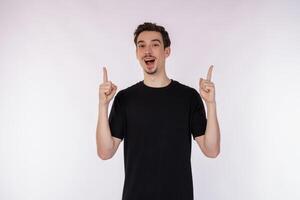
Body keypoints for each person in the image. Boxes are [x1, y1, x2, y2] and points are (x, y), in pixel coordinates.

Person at [96, 22, 220, 200]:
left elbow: (211, 150)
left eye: (155, 44)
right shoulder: (125, 99)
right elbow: (105, 152)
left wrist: (211, 104)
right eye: (142, 45)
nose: (148, 51)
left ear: (166, 51)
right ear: (137, 53)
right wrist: (102, 105)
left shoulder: (188, 97)